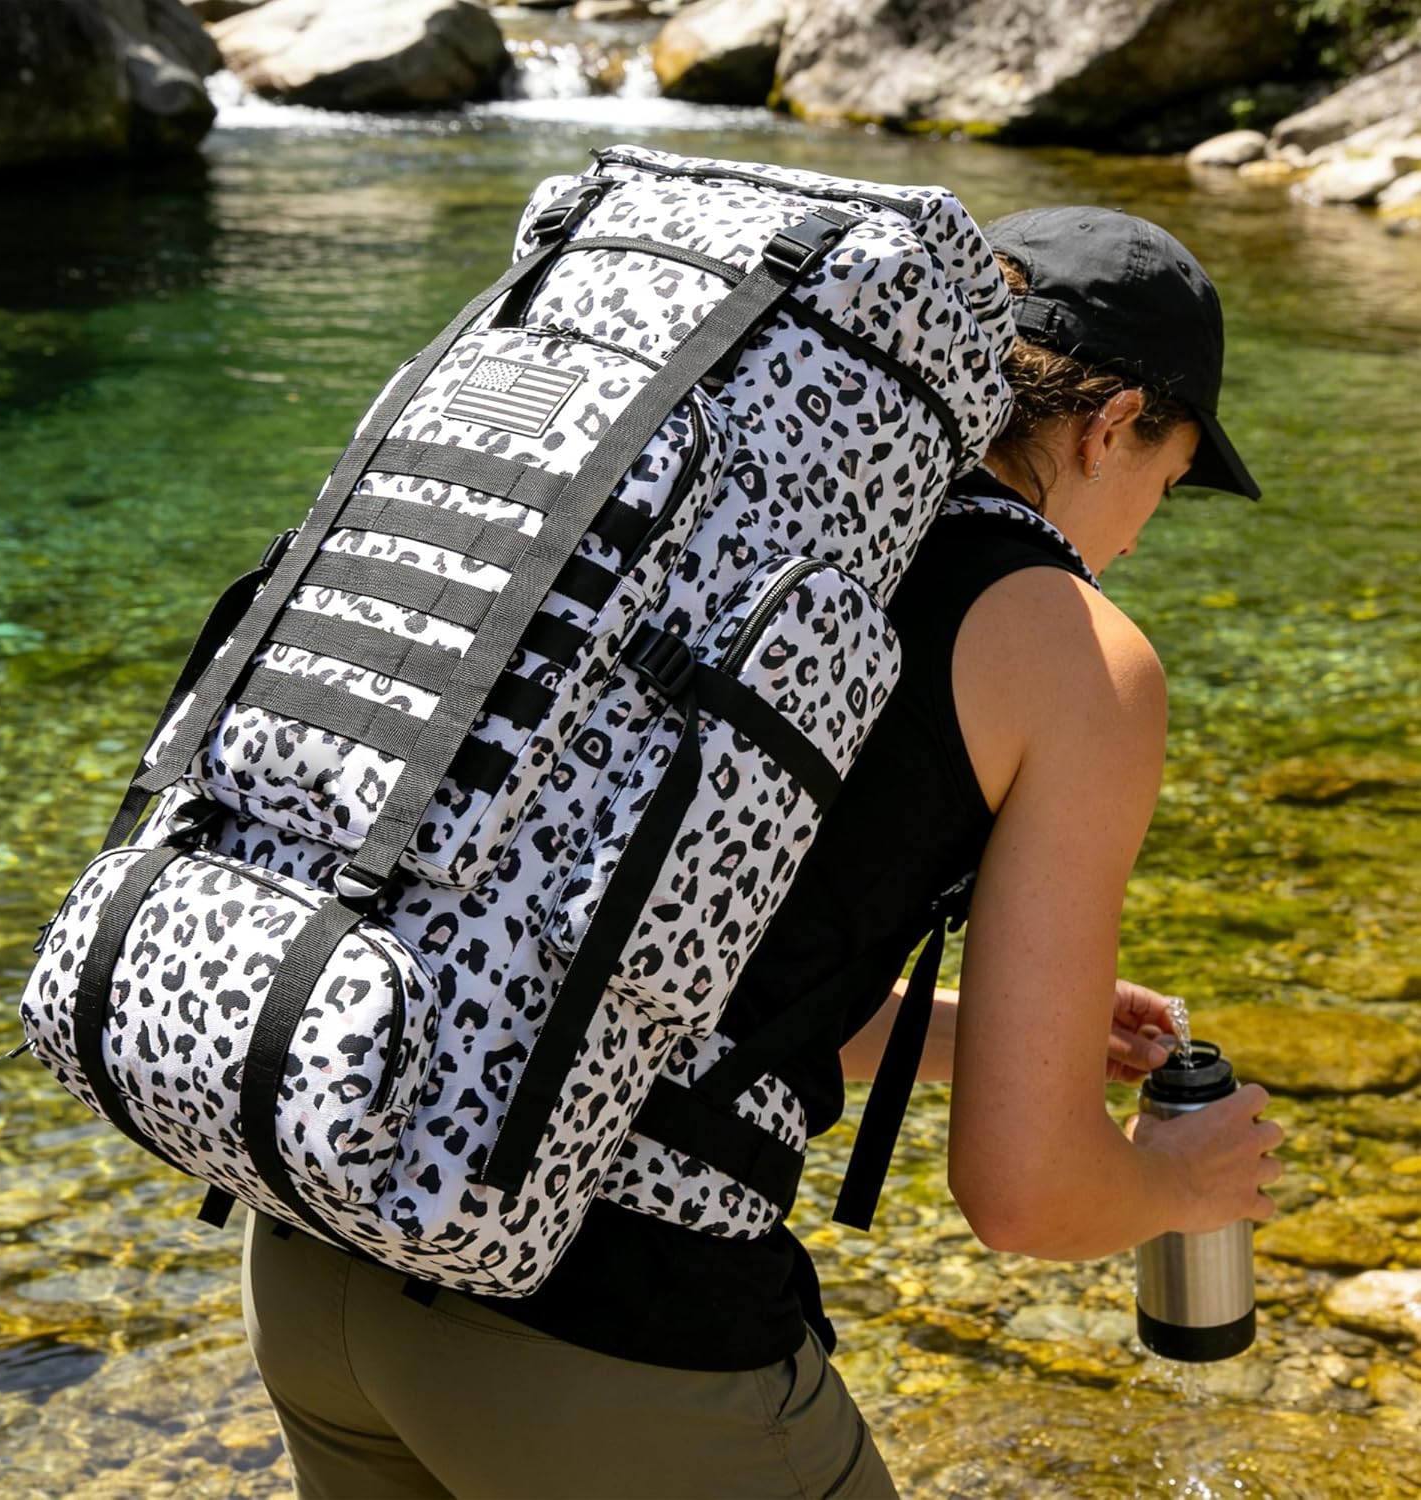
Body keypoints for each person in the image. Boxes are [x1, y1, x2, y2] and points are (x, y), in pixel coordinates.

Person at [240, 205, 1285, 1499]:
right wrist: (1176, 1187)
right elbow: (1028, 1198)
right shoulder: (1071, 649)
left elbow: (647, 972)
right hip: (603, 1324)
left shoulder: (732, 539)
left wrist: (985, 1035)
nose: (1130, 541)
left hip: (319, 1234)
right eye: (1162, 490)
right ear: (1111, 423)